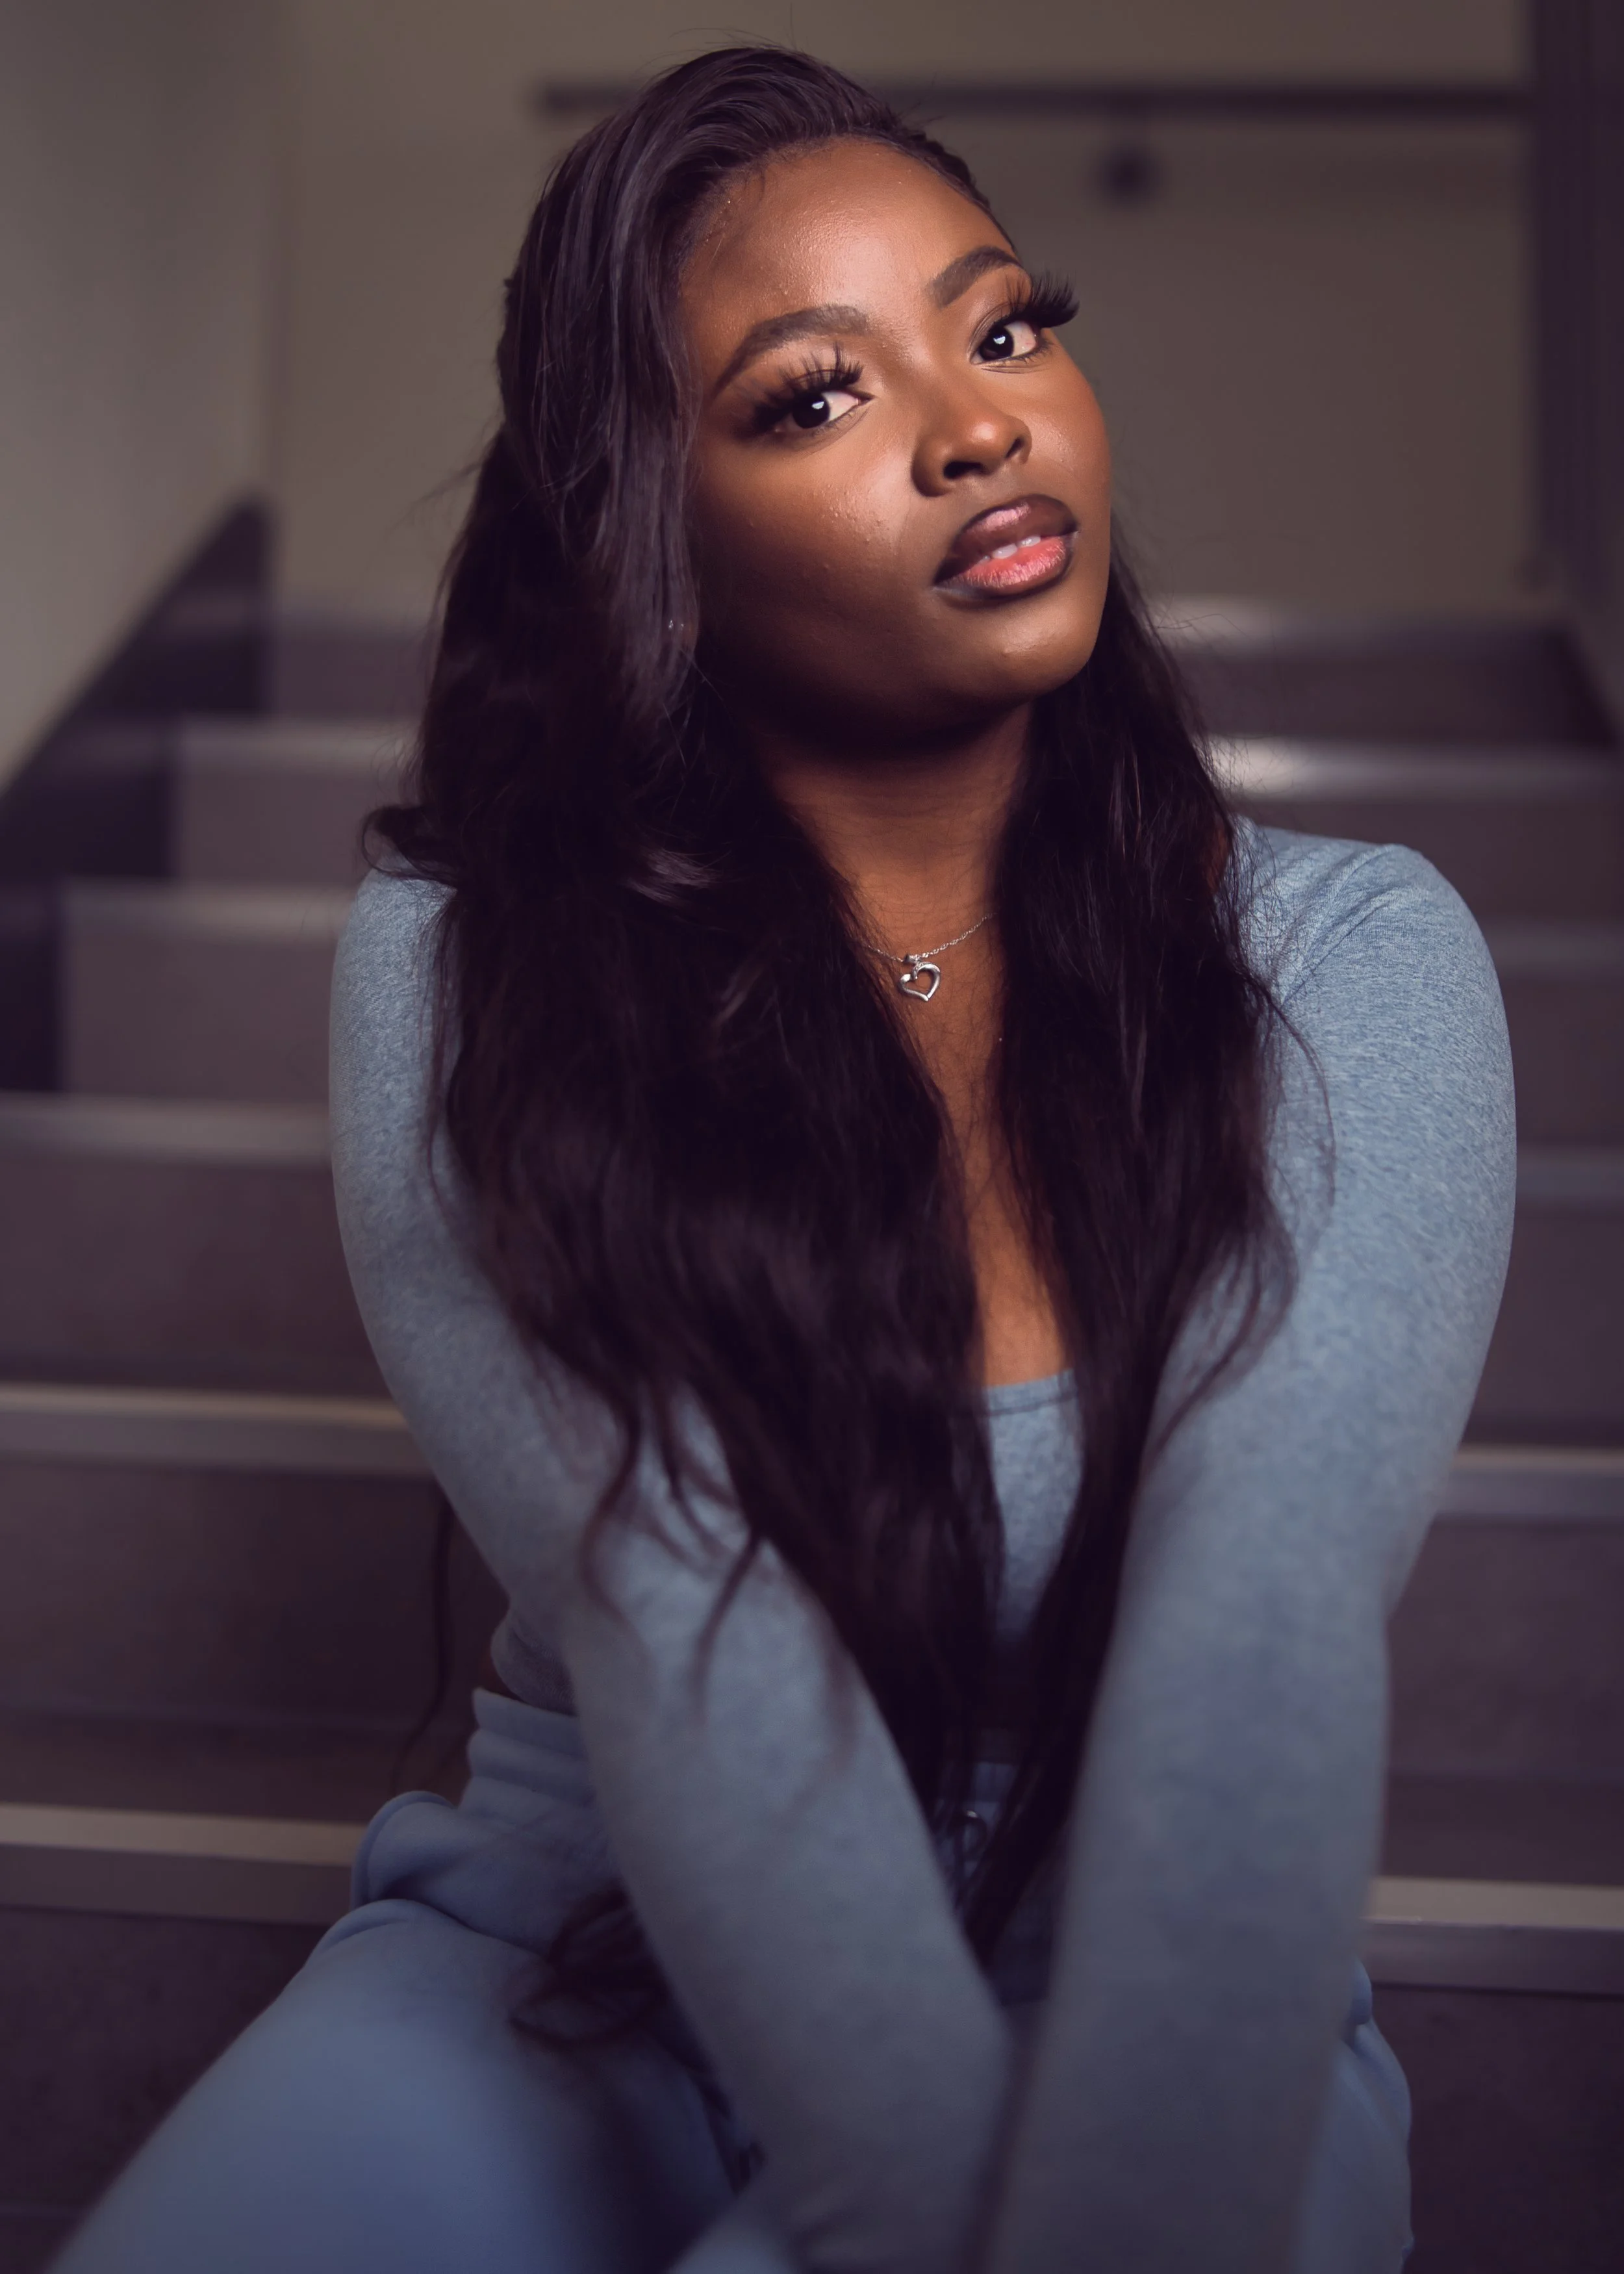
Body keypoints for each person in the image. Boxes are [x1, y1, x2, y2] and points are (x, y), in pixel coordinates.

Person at [56, 46, 1514, 2274]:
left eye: (1002, 329)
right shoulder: (468, 957)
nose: (976, 425)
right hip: (566, 1951)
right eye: (814, 396)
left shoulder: (1348, 960)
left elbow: (1262, 1621)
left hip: (1157, 1994)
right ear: (647, 541)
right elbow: (683, 1604)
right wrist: (908, 2209)